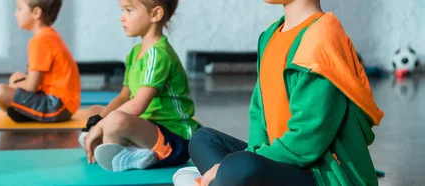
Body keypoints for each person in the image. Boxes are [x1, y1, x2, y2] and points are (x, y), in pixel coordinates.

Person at [175, 0, 385, 185]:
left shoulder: (323, 38)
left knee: (238, 166)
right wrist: (253, 155)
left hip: (322, 174)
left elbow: (307, 141)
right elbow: (259, 112)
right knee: (203, 140)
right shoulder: (269, 36)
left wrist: (236, 165)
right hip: (284, 162)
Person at [80, 0, 199, 172]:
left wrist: (100, 127)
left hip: (175, 139)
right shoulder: (135, 53)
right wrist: (96, 122)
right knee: (95, 110)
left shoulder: (158, 54)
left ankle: (134, 150)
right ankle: (130, 150)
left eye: (129, 10)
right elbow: (123, 97)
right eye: (122, 10)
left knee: (115, 120)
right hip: (147, 128)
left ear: (155, 14)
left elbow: (137, 105)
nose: (122, 18)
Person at [0, 0, 80, 123]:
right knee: (14, 83)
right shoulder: (50, 36)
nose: (15, 14)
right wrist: (21, 80)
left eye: (20, 9)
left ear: (36, 12)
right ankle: (22, 112)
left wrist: (14, 83)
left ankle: (21, 112)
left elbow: (30, 87)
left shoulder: (40, 41)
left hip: (56, 105)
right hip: (65, 105)